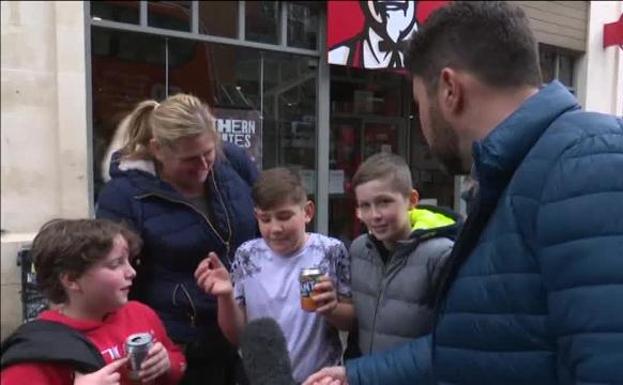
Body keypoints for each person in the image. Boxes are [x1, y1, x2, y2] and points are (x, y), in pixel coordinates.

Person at [304, 2, 623, 385]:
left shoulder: (586, 163)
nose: (421, 123)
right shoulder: (517, 175)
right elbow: (475, 344)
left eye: (420, 104)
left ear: (450, 90)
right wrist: (357, 376)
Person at [96, 93, 259, 385]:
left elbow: (265, 215)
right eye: (189, 159)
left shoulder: (231, 161)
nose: (204, 165)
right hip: (181, 342)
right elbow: (115, 274)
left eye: (208, 152)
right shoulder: (124, 195)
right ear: (157, 149)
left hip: (249, 326)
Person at [194, 167, 354, 383]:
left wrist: (332, 308)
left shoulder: (331, 251)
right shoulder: (247, 255)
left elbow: (351, 321)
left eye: (284, 217)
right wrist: (225, 296)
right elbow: (238, 335)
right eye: (265, 219)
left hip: (320, 379)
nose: (275, 228)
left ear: (307, 212)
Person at [0, 218, 186, 385]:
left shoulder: (140, 313)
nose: (131, 272)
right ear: (71, 280)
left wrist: (168, 364)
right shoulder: (36, 350)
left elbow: (178, 364)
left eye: (129, 261)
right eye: (116, 264)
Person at [348, 152, 460, 356]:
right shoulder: (359, 250)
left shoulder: (441, 255)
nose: (375, 215)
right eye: (365, 205)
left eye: (384, 202)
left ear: (412, 200)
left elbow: (452, 340)